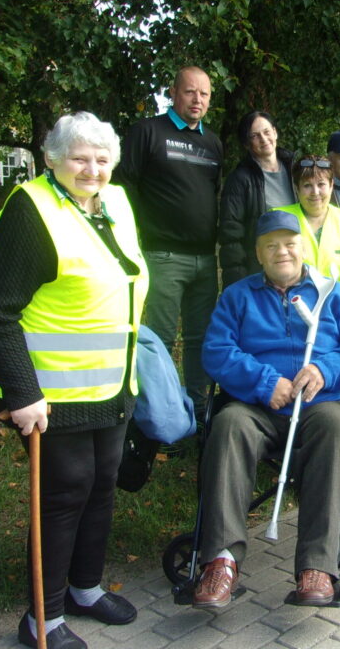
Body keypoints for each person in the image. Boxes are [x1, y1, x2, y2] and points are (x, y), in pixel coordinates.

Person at [0, 112, 147, 649]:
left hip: (111, 385)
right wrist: (21, 393)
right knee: (65, 494)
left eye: (101, 159)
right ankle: (42, 620)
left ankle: (86, 589)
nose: (92, 168)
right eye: (79, 158)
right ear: (51, 158)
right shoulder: (31, 209)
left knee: (101, 486)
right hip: (51, 395)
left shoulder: (114, 201)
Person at [193, 211, 340, 609]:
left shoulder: (332, 292)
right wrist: (265, 382)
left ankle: (318, 566)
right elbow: (215, 350)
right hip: (257, 406)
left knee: (334, 427)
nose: (282, 251)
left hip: (319, 404)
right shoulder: (237, 296)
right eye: (271, 245)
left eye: (290, 243)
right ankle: (221, 561)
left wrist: (325, 368)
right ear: (258, 254)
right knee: (228, 425)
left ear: (302, 248)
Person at [112, 65, 222, 416]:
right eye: (190, 92)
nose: (197, 99)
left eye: (204, 94)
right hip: (162, 255)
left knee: (199, 340)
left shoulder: (213, 143)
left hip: (205, 260)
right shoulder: (148, 132)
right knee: (158, 339)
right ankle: (159, 416)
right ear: (173, 93)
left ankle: (198, 412)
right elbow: (122, 187)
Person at [276, 155, 340, 307]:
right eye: (307, 185)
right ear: (297, 189)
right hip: (290, 310)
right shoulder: (278, 219)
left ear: (331, 185)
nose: (315, 192)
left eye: (321, 184)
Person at [218, 110, 296, 286]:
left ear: (275, 132)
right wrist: (237, 286)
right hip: (260, 274)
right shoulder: (239, 180)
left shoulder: (296, 172)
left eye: (267, 132)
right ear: (246, 143)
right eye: (255, 135)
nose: (263, 139)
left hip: (297, 270)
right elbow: (231, 237)